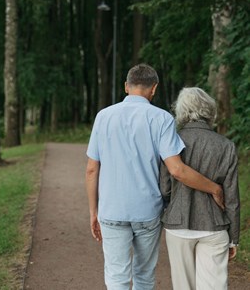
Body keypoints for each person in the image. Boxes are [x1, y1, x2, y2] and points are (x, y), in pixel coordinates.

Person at [85, 64, 224, 290]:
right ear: (154, 89)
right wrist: (214, 188)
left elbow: (92, 169)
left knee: (116, 277)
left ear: (126, 87)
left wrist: (94, 211)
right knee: (144, 276)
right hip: (146, 211)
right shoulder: (162, 119)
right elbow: (177, 170)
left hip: (111, 210)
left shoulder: (104, 117)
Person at [160, 87, 240, 290]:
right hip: (214, 226)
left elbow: (165, 188)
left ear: (182, 111)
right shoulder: (226, 145)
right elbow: (231, 197)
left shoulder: (172, 140)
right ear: (209, 111)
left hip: (178, 225)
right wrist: (234, 239)